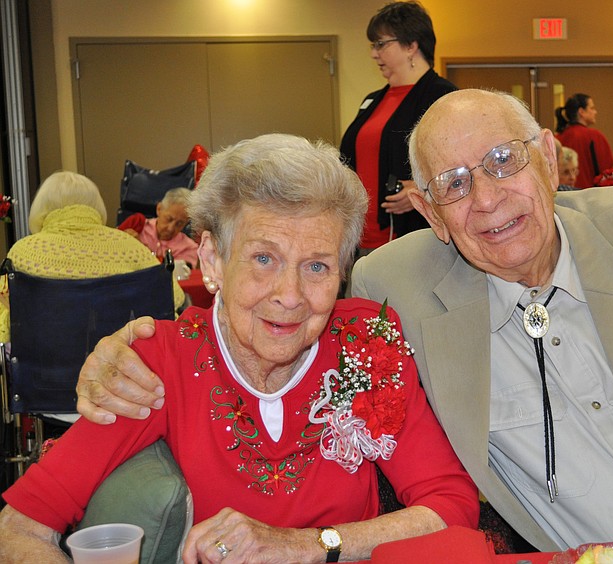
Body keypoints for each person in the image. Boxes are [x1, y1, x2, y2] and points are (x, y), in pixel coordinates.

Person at [74, 91, 613, 551]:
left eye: (504, 162)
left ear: (548, 156)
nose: (486, 200)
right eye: (452, 184)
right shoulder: (390, 290)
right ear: (430, 215)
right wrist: (127, 347)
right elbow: (275, 315)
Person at [0, 135, 478, 562]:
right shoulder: (160, 362)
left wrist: (307, 546)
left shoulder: (365, 343)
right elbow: (20, 526)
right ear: (212, 259)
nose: (290, 295)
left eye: (317, 266)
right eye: (264, 258)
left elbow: (451, 505)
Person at [0, 171, 185, 343]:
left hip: (44, 364)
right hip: (122, 360)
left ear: (42, 207)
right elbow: (173, 297)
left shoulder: (23, 253)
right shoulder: (132, 248)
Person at [339, 0, 456, 256]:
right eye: (373, 46)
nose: (374, 54)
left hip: (409, 238)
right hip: (360, 238)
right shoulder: (372, 100)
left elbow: (463, 162)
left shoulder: (442, 97)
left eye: (381, 44)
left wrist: (424, 188)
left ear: (411, 45)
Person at [118, 187, 200, 268]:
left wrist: (142, 251)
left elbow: (178, 273)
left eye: (179, 224)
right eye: (169, 219)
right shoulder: (136, 225)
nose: (170, 228)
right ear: (159, 209)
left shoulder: (188, 248)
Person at [554, 93, 613, 189]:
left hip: (562, 194)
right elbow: (607, 172)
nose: (595, 112)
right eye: (592, 108)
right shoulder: (595, 137)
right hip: (589, 194)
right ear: (581, 112)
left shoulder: (556, 138)